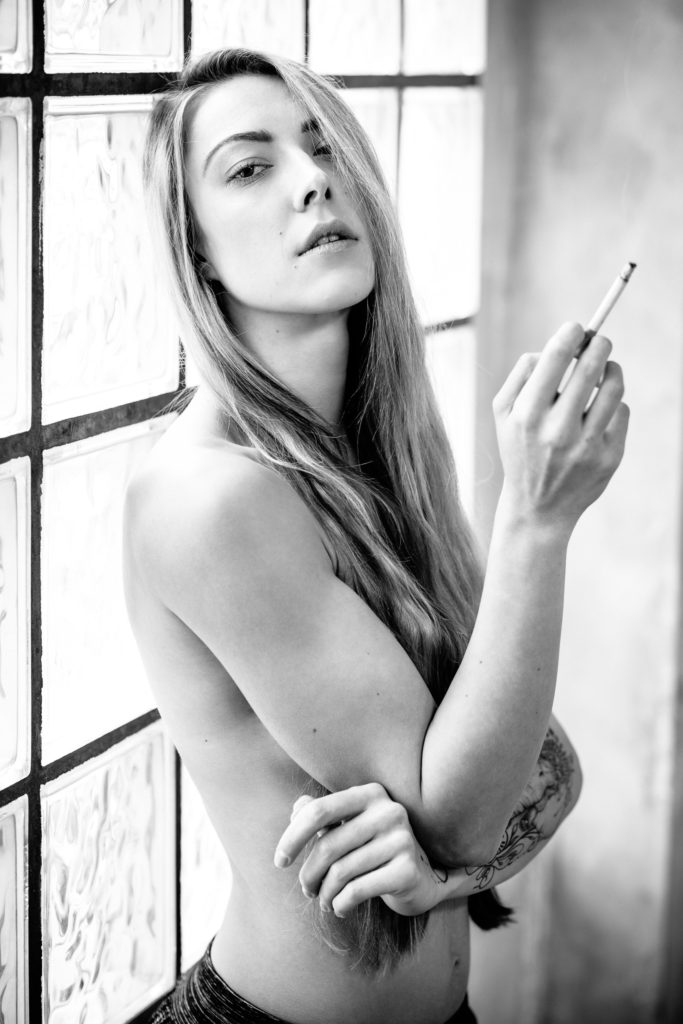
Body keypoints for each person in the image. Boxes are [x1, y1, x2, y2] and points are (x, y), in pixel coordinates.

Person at [122, 47, 628, 1024]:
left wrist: (443, 875)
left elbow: (545, 770)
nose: (313, 179)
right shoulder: (210, 498)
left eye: (323, 146)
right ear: (195, 251)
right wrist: (535, 520)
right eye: (249, 167)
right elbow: (466, 810)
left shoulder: (376, 450)